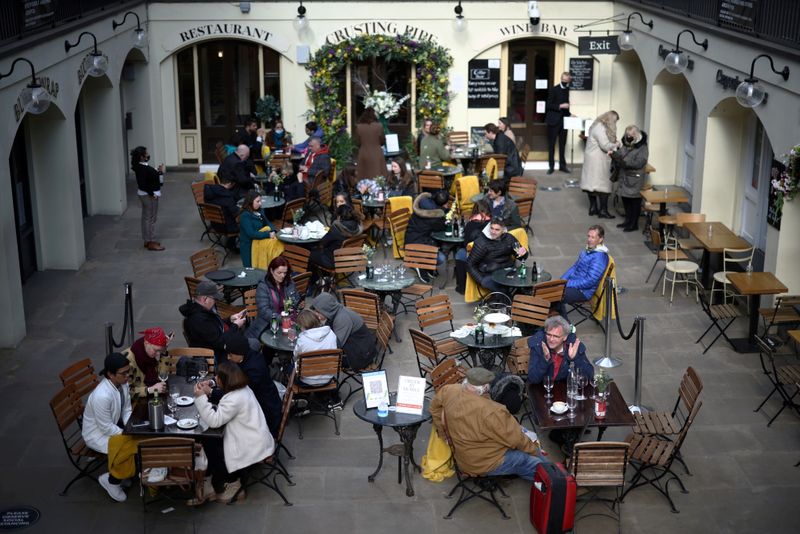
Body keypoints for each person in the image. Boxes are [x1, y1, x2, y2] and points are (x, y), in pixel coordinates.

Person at [430, 367, 547, 481]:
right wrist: (535, 451)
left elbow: (434, 409)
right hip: (483, 463)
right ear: (485, 388)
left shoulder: (449, 390)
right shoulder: (493, 411)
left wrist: (445, 435)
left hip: (462, 457)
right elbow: (517, 440)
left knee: (522, 456)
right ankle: (555, 479)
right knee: (529, 460)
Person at [193, 361, 274, 504]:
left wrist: (200, 398)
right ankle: (212, 482)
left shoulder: (234, 399)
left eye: (218, 377)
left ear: (225, 380)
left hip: (251, 445)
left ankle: (233, 483)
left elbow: (214, 420)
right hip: (257, 438)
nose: (216, 378)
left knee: (211, 445)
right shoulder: (243, 388)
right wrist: (211, 386)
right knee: (210, 441)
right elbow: (223, 397)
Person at [82, 353, 135, 502]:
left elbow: (126, 409)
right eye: (124, 373)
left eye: (128, 371)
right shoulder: (102, 396)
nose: (127, 376)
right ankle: (112, 481)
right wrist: (127, 434)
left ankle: (123, 473)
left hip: (113, 426)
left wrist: (130, 426)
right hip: (97, 434)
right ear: (111, 375)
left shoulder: (122, 384)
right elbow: (105, 428)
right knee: (132, 446)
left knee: (136, 440)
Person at [223, 334, 282, 439]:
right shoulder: (246, 357)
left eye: (230, 355)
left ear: (240, 353)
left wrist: (212, 392)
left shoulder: (254, 368)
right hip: (258, 403)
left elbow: (239, 393)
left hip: (265, 414)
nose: (228, 357)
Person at [179, 280, 249, 363]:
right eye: (214, 298)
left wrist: (230, 319)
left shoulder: (202, 310)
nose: (215, 301)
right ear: (205, 299)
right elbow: (220, 342)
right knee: (251, 348)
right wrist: (235, 326)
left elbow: (214, 326)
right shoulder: (199, 320)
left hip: (219, 345)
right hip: (216, 356)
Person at [309, 292, 377, 372]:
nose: (316, 315)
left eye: (318, 312)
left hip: (361, 355)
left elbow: (336, 345)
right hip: (360, 347)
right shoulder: (336, 311)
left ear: (327, 310)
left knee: (318, 361)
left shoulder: (342, 319)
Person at [559, 225, 610, 317]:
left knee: (556, 295)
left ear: (600, 239)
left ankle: (566, 326)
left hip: (583, 292)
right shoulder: (588, 251)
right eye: (588, 236)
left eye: (593, 237)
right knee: (552, 292)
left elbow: (589, 281)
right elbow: (574, 267)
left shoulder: (599, 258)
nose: (589, 239)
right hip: (575, 285)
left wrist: (567, 283)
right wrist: (561, 280)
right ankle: (558, 322)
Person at [246, 256, 302, 340]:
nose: (283, 276)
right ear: (271, 271)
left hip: (290, 320)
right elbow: (264, 311)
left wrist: (299, 303)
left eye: (285, 273)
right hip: (270, 323)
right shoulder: (263, 286)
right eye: (279, 273)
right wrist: (283, 319)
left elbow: (295, 299)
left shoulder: (289, 283)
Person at [526, 315, 594, 384]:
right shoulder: (539, 344)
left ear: (565, 337)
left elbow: (589, 376)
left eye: (556, 336)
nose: (551, 339)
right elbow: (533, 379)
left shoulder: (573, 346)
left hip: (564, 389)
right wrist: (545, 360)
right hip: (541, 389)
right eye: (549, 335)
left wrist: (575, 358)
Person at [467, 217, 528, 293]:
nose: (493, 232)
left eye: (497, 230)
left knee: (525, 284)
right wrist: (482, 280)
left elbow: (522, 258)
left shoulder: (509, 238)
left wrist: (523, 254)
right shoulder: (481, 242)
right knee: (505, 292)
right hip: (489, 274)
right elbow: (470, 264)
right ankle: (508, 302)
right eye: (492, 228)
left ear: (503, 229)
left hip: (508, 271)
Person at [580, 110, 620, 219]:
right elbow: (605, 145)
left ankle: (593, 208)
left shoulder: (597, 125)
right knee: (603, 185)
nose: (615, 124)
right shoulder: (601, 128)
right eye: (615, 121)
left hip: (593, 159)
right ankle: (603, 210)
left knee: (591, 184)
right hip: (598, 161)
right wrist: (617, 144)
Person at [611, 125, 649, 232]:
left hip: (635, 178)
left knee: (635, 201)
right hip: (625, 176)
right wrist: (614, 154)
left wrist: (624, 162)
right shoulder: (626, 144)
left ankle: (634, 224)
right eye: (627, 135)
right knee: (626, 199)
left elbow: (640, 162)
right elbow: (621, 153)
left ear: (636, 135)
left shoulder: (642, 147)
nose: (628, 137)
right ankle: (627, 221)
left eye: (631, 135)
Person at [405, 190, 448, 280]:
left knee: (437, 244)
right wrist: (444, 211)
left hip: (410, 238)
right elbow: (443, 227)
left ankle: (426, 266)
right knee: (441, 258)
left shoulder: (423, 203)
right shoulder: (434, 216)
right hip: (416, 245)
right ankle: (418, 264)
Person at [122, 327, 171, 404]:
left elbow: (162, 375)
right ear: (146, 343)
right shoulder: (127, 360)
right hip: (135, 404)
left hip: (151, 398)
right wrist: (149, 390)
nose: (158, 354)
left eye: (160, 351)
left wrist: (164, 351)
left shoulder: (152, 353)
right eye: (156, 350)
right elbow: (125, 392)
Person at [131, 146, 166, 251]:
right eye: (146, 154)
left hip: (146, 194)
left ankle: (147, 240)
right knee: (151, 219)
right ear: (142, 157)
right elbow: (142, 184)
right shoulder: (142, 168)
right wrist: (152, 194)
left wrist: (158, 171)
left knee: (146, 218)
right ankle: (151, 242)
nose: (148, 155)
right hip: (149, 195)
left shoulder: (141, 166)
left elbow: (149, 176)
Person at [454, 200, 492, 294]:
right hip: (490, 253)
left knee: (459, 254)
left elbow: (466, 244)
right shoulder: (492, 223)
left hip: (474, 255)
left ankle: (461, 287)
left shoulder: (470, 224)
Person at [293, 309, 338, 386]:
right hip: (328, 378)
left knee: (290, 365)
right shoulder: (331, 333)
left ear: (303, 325)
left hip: (307, 380)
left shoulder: (303, 340)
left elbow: (295, 355)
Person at [310, 203, 362, 270]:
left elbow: (323, 243)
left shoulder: (336, 228)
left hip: (334, 262)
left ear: (339, 216)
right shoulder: (357, 226)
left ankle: (316, 278)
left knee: (309, 254)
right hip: (351, 258)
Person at [238, 190, 277, 268]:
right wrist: (268, 234)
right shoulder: (245, 215)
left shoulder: (260, 210)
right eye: (257, 201)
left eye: (260, 201)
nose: (260, 203)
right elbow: (251, 233)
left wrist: (273, 230)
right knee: (250, 268)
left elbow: (267, 222)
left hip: (259, 243)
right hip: (248, 246)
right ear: (250, 202)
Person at [545, 71, 572, 175]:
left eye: (567, 81)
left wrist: (570, 114)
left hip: (564, 121)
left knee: (562, 144)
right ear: (561, 79)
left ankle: (562, 166)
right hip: (553, 120)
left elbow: (567, 106)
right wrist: (560, 106)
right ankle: (551, 166)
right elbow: (548, 105)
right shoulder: (554, 89)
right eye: (564, 80)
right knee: (551, 144)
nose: (565, 82)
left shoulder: (567, 89)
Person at [203, 176, 240, 251]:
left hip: (214, 223)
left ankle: (231, 243)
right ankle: (232, 245)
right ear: (230, 184)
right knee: (247, 220)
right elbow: (236, 212)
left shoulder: (210, 191)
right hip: (227, 227)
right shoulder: (227, 197)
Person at [355, 107, 386, 181]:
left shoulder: (359, 127)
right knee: (378, 176)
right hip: (377, 153)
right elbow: (382, 141)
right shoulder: (379, 126)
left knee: (364, 177)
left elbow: (357, 142)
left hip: (364, 153)